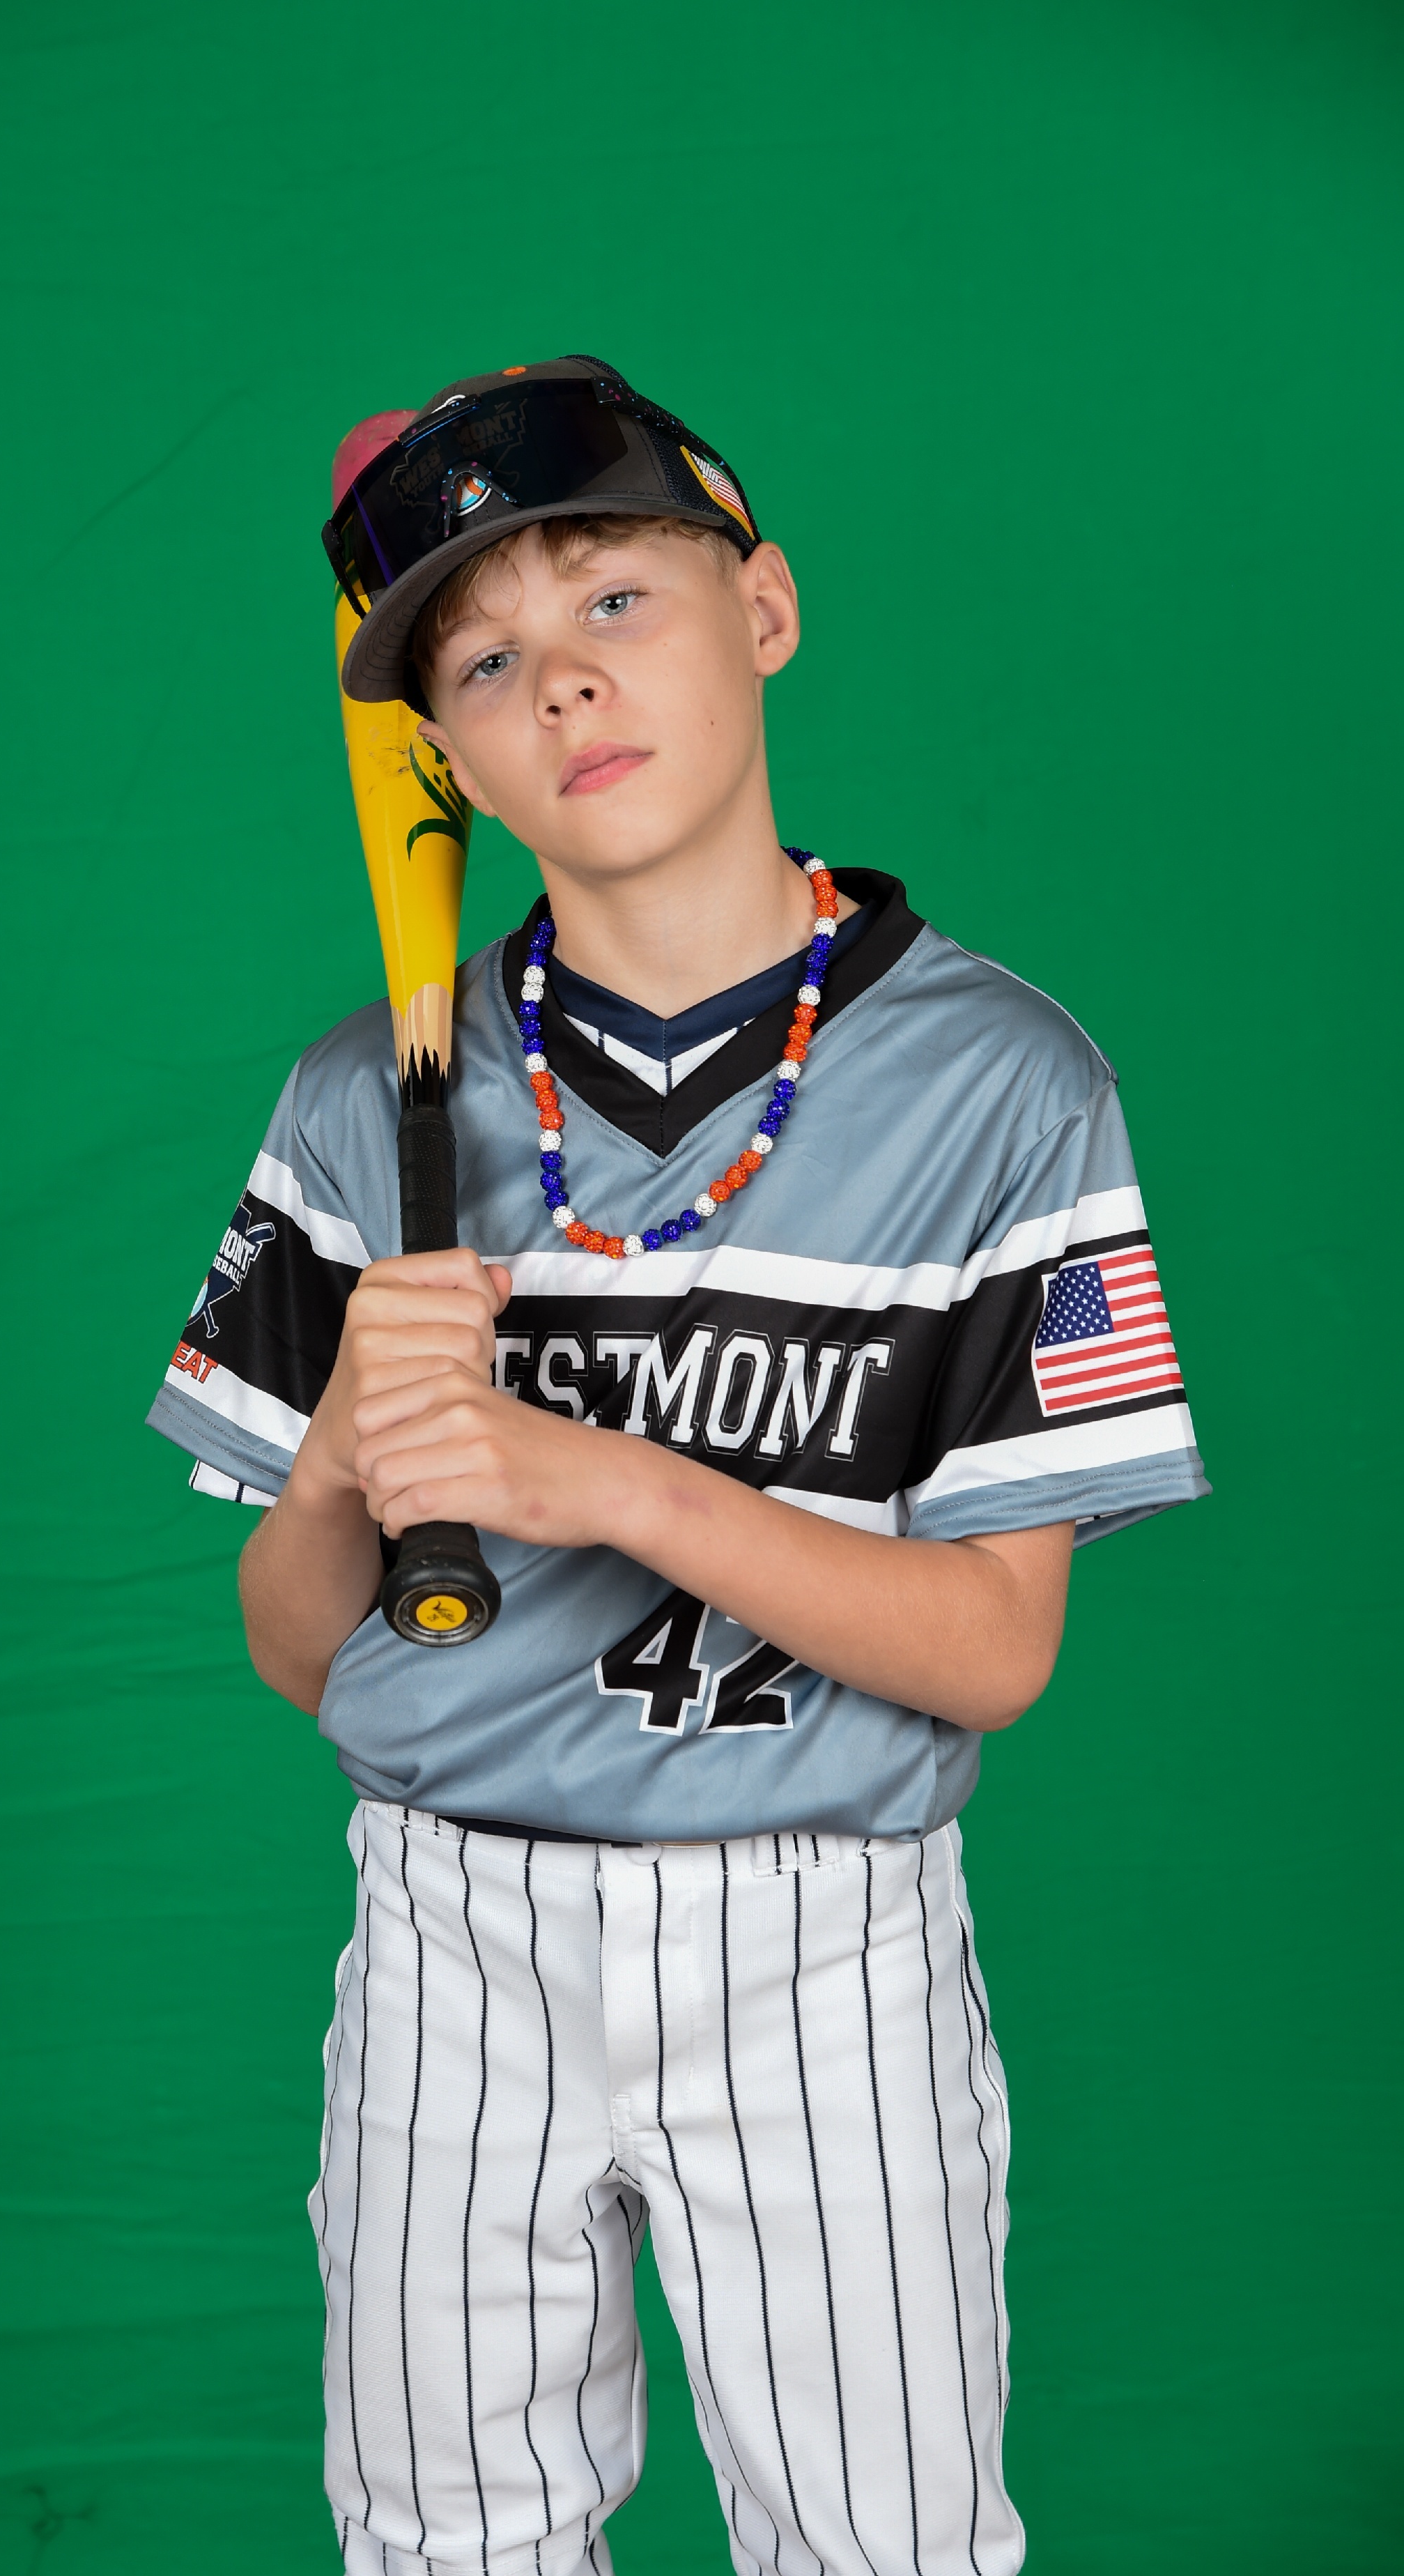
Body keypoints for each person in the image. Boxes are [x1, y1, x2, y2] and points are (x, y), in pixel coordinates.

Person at [147, 356, 1208, 2576]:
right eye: (484, 662)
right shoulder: (362, 1104)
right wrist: (345, 1455)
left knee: (884, 2541)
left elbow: (995, 1654)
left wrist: (611, 1483)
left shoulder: (1005, 1085)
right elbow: (299, 1652)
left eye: (614, 599)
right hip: (447, 1930)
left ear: (766, 610)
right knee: (444, 2543)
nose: (561, 682)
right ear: (438, 760)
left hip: (819, 1938)